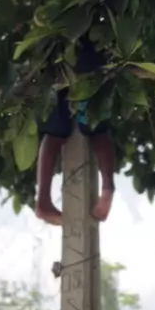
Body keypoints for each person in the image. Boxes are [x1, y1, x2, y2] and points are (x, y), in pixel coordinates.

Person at [35, 37, 116, 225]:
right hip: (86, 56)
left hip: (55, 50)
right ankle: (107, 187)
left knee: (55, 132)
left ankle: (43, 199)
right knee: (96, 127)